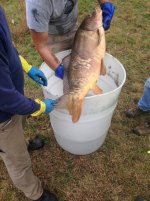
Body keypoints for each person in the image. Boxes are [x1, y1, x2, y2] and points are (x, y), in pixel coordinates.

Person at [0, 6, 58, 201]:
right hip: (3, 117)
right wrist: (41, 107)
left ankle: (20, 143)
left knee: (19, 125)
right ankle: (35, 193)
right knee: (18, 162)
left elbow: (6, 47)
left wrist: (26, 66)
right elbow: (7, 100)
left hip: (12, 98)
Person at [25, 0, 115, 80]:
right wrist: (57, 68)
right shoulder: (37, 4)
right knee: (65, 82)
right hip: (50, 36)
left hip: (74, 27)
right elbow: (41, 45)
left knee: (89, 69)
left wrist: (106, 3)